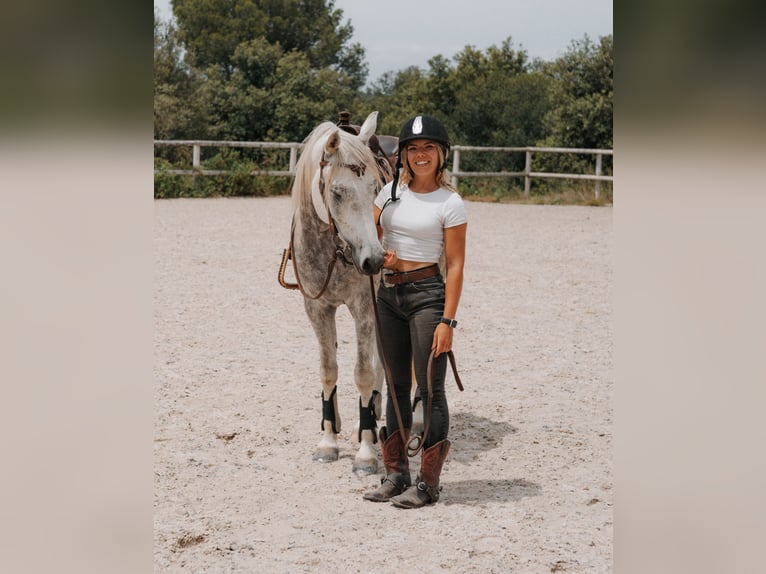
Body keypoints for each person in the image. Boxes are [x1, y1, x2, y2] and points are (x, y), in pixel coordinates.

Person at [363, 115, 468, 508]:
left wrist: (448, 320)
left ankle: (427, 483)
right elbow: (370, 235)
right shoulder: (388, 193)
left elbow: (455, 265)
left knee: (430, 389)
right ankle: (395, 475)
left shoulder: (451, 203)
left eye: (427, 148)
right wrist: (382, 255)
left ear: (441, 154)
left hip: (427, 297)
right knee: (394, 385)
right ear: (403, 155)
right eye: (412, 148)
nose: (420, 155)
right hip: (389, 297)